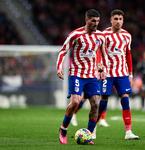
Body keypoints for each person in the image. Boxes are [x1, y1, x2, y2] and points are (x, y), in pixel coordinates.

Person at [56, 9, 108, 145]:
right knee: (75, 102)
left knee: (96, 103)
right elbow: (63, 50)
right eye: (93, 21)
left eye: (97, 21)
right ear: (86, 20)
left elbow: (104, 54)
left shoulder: (101, 36)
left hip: (92, 76)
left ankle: (88, 135)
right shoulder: (75, 34)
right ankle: (64, 128)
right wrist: (59, 67)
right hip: (76, 74)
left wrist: (104, 70)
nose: (96, 24)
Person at [95, 9, 139, 140]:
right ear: (111, 20)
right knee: (103, 102)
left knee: (125, 99)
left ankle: (128, 132)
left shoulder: (127, 36)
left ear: (123, 20)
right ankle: (93, 129)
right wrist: (99, 66)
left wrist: (131, 74)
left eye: (120, 19)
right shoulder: (104, 34)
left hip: (122, 73)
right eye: (116, 19)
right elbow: (98, 52)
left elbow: (128, 55)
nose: (118, 21)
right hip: (107, 74)